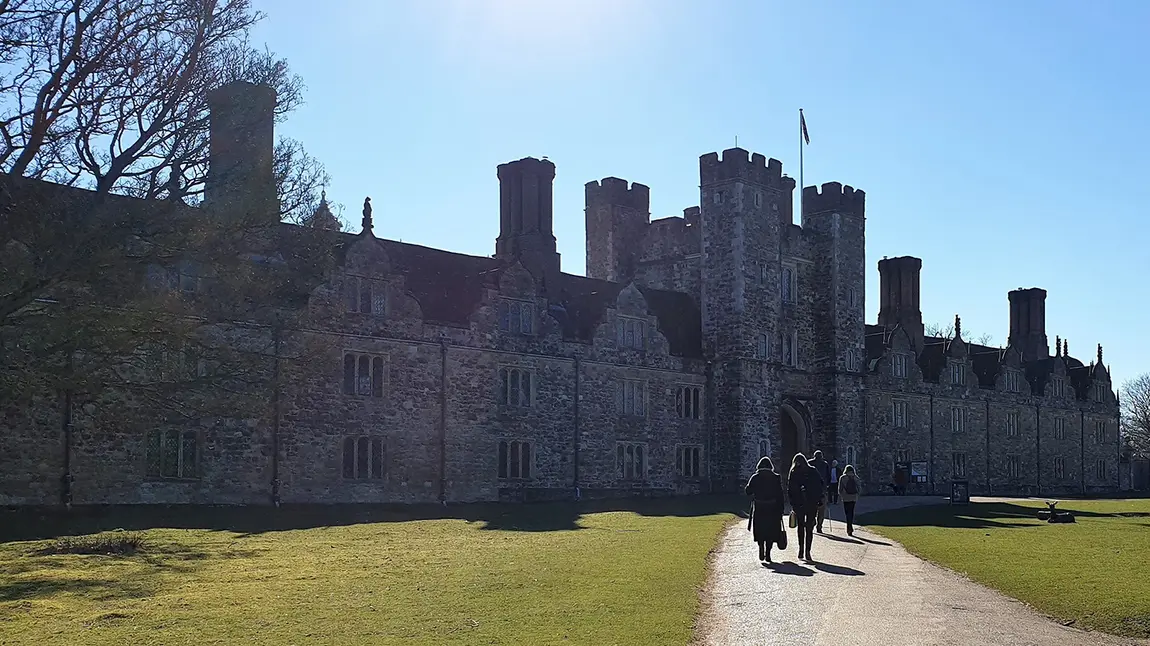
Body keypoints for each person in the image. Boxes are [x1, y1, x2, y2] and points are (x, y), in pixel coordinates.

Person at [744, 457, 785, 564]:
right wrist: (781, 510)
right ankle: (768, 553)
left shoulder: (755, 477)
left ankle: (761, 547)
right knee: (771, 531)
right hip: (773, 508)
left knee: (760, 529)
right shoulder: (776, 477)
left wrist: (750, 487)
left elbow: (748, 491)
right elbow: (780, 495)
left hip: (760, 507)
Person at [787, 452, 824, 562]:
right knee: (809, 527)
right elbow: (820, 484)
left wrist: (793, 503)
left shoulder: (794, 472)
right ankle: (807, 550)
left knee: (801, 526)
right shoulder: (813, 471)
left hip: (799, 504)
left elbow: (790, 490)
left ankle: (801, 549)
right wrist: (819, 499)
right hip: (811, 503)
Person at [808, 450, 831, 532]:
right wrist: (827, 486)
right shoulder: (825, 464)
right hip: (822, 490)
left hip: (810, 491)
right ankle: (819, 526)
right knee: (821, 510)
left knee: (811, 508)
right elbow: (829, 477)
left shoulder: (809, 463)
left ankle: (812, 521)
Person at [837, 464, 861, 536]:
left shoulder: (843, 477)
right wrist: (857, 494)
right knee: (851, 512)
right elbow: (859, 487)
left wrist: (840, 495)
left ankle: (849, 528)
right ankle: (850, 527)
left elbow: (840, 488)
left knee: (847, 513)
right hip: (853, 497)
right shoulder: (856, 477)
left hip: (845, 497)